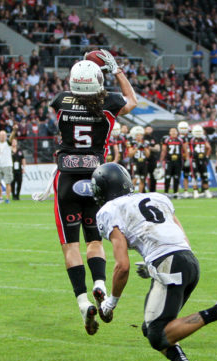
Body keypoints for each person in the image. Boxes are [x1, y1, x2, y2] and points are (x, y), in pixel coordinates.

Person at [91, 162, 217, 361]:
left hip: (169, 264)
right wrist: (153, 266)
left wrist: (111, 303)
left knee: (157, 334)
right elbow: (181, 239)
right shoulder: (157, 197)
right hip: (189, 262)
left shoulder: (109, 211)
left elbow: (122, 266)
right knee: (152, 327)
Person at [49, 51, 137, 335]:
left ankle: (83, 300)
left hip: (67, 177)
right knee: (95, 241)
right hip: (98, 179)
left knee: (70, 245)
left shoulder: (61, 100)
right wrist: (118, 71)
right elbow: (132, 102)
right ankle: (100, 283)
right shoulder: (109, 102)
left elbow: (72, 100)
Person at [160, 128, 186, 197]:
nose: (173, 132)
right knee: (167, 176)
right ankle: (166, 192)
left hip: (178, 161)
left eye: (175, 131)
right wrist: (161, 160)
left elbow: (185, 150)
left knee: (176, 177)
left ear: (177, 132)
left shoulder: (181, 139)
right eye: (172, 131)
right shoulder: (166, 140)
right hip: (169, 161)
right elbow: (163, 151)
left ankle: (176, 192)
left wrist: (187, 159)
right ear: (169, 132)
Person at [188, 125, 212, 198]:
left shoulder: (204, 139)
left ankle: (206, 190)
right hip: (194, 159)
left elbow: (209, 148)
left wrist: (207, 156)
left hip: (202, 159)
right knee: (194, 176)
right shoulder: (192, 140)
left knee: (204, 175)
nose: (198, 133)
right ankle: (195, 191)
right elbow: (189, 150)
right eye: (197, 132)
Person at [128, 126, 150, 193]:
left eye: (140, 135)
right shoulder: (132, 143)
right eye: (137, 135)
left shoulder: (145, 143)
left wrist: (145, 148)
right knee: (135, 178)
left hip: (143, 163)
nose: (139, 136)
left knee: (143, 179)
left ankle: (140, 194)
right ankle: (131, 193)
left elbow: (148, 155)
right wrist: (137, 148)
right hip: (135, 163)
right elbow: (130, 154)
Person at [0, 130, 13, 204]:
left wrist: (14, 131)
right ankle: (0, 198)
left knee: (8, 182)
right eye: (1, 135)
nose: (2, 137)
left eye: (4, 135)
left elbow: (11, 137)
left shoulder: (8, 143)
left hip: (7, 164)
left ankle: (7, 198)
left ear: (6, 136)